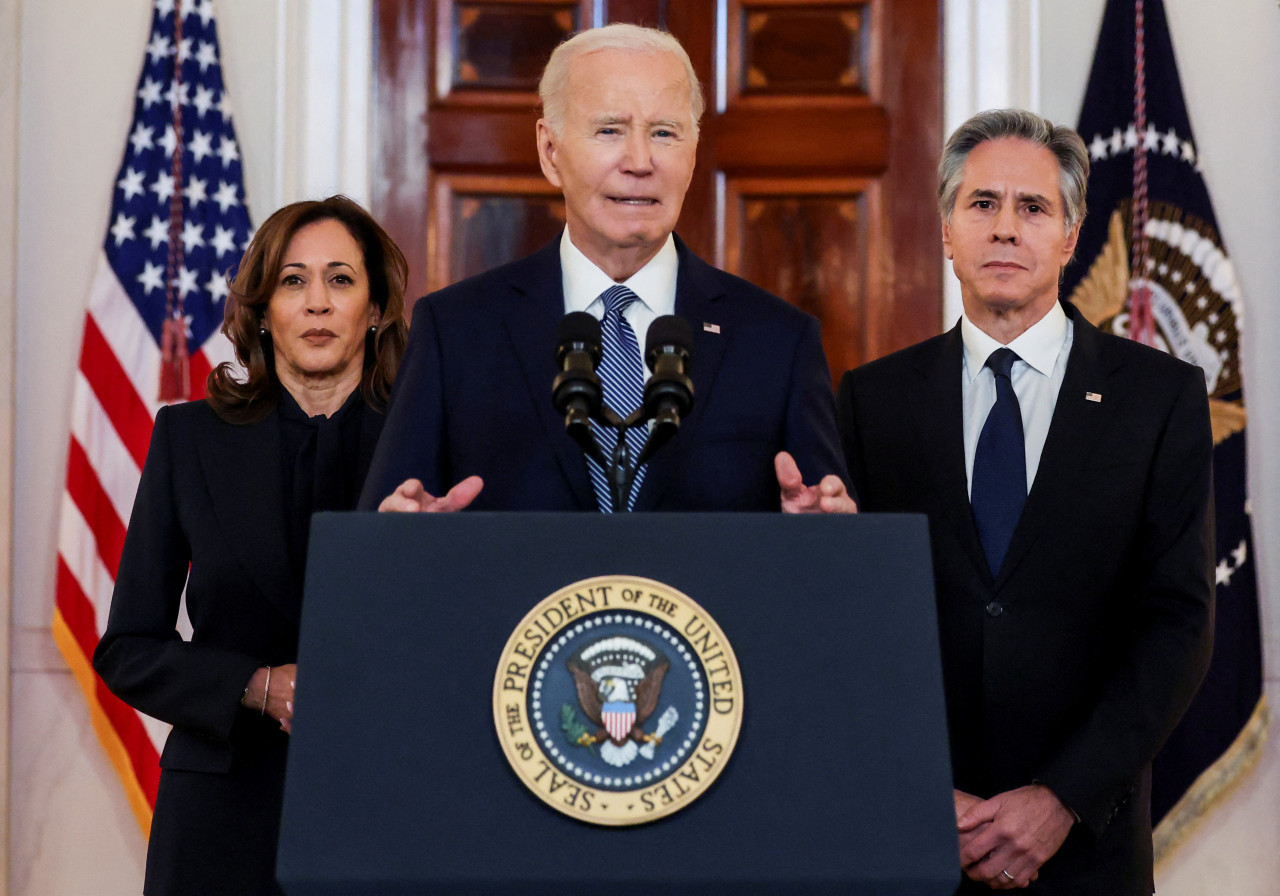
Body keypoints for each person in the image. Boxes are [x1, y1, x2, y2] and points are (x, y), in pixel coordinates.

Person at [837, 109, 1213, 894]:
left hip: (1087, 853)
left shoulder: (1160, 400)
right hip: (914, 843)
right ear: (946, 229)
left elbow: (1177, 625)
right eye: (982, 205)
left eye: (1033, 208)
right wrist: (918, 792)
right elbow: (852, 629)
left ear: (1072, 236)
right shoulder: (872, 402)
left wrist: (1061, 800)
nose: (1005, 229)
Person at [360, 23, 852, 515]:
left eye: (664, 132)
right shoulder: (456, 330)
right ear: (550, 152)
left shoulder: (778, 341)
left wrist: (818, 539)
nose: (640, 161)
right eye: (609, 130)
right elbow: (382, 543)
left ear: (694, 151)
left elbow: (833, 554)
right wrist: (408, 539)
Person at [93, 195, 410, 896]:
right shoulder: (189, 440)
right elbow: (128, 649)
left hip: (389, 802)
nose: (318, 303)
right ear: (263, 311)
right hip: (222, 810)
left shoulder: (423, 446)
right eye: (293, 281)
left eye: (341, 279)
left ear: (377, 307)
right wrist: (256, 686)